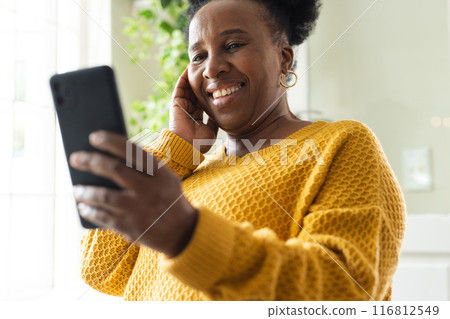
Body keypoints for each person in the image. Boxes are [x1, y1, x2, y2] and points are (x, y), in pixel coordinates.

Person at [71, 0, 406, 301]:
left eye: (232, 45)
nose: (212, 68)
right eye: (198, 56)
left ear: (283, 58)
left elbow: (346, 290)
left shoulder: (341, 144)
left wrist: (187, 235)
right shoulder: (188, 169)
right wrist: (179, 147)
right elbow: (101, 269)